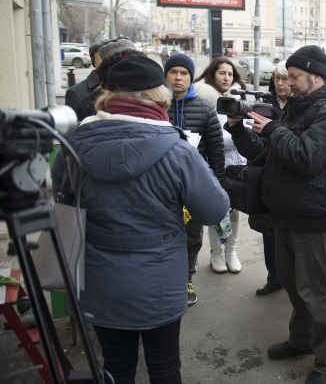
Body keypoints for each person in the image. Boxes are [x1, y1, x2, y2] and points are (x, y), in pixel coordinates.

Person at [52, 53, 229, 384]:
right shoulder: (178, 150)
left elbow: (63, 196)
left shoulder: (74, 144)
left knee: (115, 367)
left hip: (99, 278)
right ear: (158, 94)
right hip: (158, 282)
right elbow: (215, 210)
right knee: (163, 369)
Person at [225, 45, 326, 384]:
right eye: (287, 77)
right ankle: (301, 340)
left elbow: (307, 158)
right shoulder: (297, 108)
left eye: (294, 77)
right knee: (295, 288)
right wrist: (240, 129)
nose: (289, 83)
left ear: (316, 76)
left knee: (319, 295)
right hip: (285, 215)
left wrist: (274, 130)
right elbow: (266, 156)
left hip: (314, 218)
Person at [164, 53, 225, 305]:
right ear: (165, 75)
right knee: (164, 233)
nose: (178, 78)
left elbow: (216, 150)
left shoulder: (204, 108)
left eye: (184, 73)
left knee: (191, 235)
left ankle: (187, 277)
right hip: (162, 188)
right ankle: (167, 278)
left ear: (191, 77)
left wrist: (218, 185)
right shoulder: (156, 107)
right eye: (173, 72)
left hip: (192, 188)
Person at [193, 57, 247, 275]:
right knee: (217, 209)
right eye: (222, 73)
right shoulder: (203, 99)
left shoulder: (240, 98)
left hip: (238, 162)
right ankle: (216, 252)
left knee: (235, 210)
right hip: (215, 163)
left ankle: (231, 251)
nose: (226, 78)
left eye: (230, 74)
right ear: (212, 74)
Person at [252, 61, 294, 296]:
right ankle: (274, 277)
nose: (279, 83)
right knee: (268, 230)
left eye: (284, 78)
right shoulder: (264, 104)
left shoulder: (300, 104)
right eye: (276, 78)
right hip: (267, 172)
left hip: (290, 175)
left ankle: (292, 280)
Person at [65, 39, 106, 121]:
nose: (109, 61)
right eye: (103, 57)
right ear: (94, 62)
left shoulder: (122, 88)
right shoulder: (76, 93)